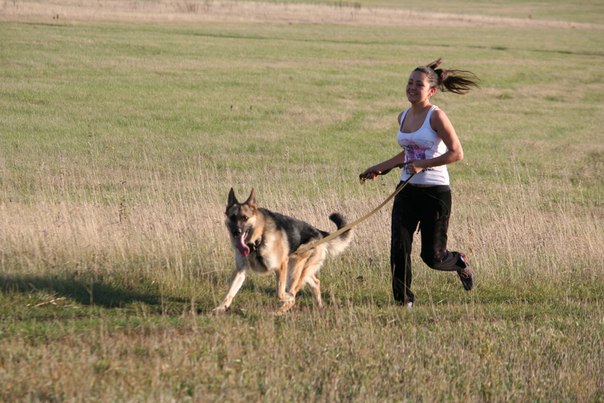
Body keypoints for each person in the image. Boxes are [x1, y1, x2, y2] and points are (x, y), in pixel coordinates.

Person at [360, 58, 479, 308]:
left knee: (433, 257)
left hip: (435, 193)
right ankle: (404, 301)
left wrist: (423, 165)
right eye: (409, 82)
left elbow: (457, 153)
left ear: (431, 91)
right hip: (406, 190)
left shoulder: (436, 116)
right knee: (399, 249)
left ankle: (458, 262)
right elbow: (408, 153)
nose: (412, 88)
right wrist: (381, 168)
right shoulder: (402, 117)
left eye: (419, 84)